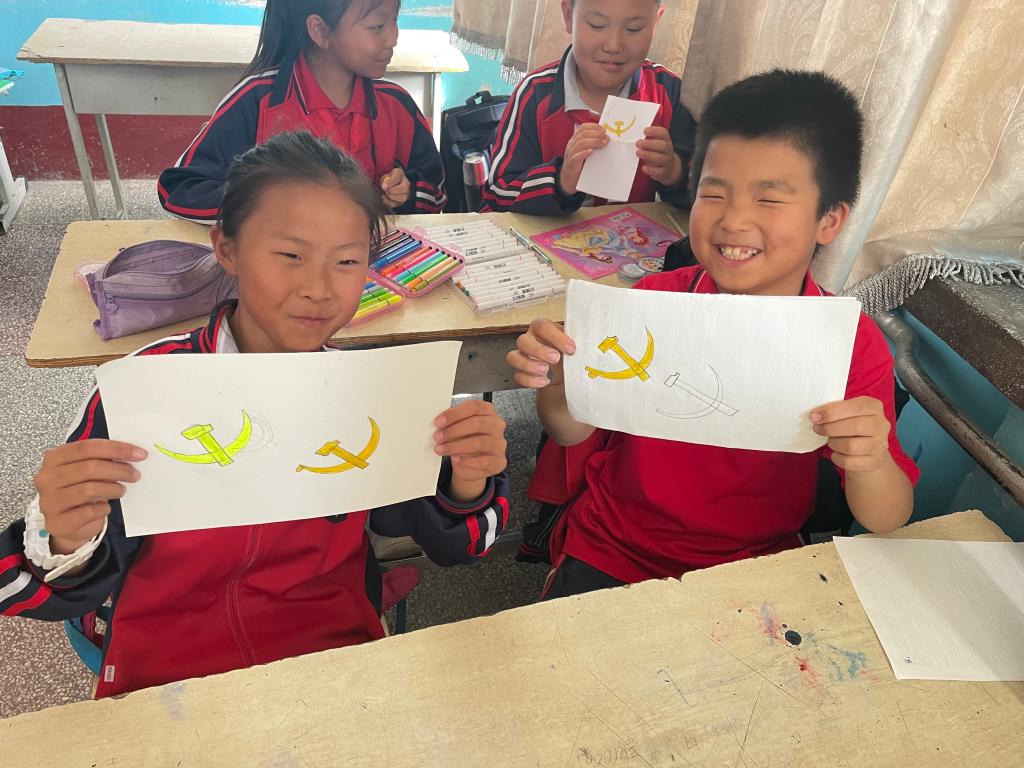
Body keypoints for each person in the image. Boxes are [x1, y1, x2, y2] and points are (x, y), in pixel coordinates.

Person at [1, 132, 507, 697]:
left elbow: (458, 545)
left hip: (330, 654)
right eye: (290, 256)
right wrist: (63, 536)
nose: (318, 289)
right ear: (227, 249)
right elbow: (40, 590)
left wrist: (467, 480)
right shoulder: (146, 391)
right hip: (165, 669)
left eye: (346, 261)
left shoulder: (372, 395)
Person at [506, 70, 919, 598]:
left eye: (769, 200)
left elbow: (887, 518)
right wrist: (559, 386)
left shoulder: (847, 342)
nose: (734, 221)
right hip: (611, 546)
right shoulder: (652, 301)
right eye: (714, 193)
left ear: (829, 220)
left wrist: (870, 460)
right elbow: (569, 432)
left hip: (756, 567)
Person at [158, 0, 446, 221]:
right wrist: (267, 201)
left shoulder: (396, 105)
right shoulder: (257, 101)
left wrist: (406, 192)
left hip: (376, 269)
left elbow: (438, 192)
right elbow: (180, 188)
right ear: (320, 30)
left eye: (394, 21)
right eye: (377, 27)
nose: (393, 38)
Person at [482, 0, 695, 215]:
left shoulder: (669, 92)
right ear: (569, 16)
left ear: (655, 23)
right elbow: (498, 193)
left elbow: (704, 194)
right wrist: (561, 180)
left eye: (633, 29)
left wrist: (674, 173)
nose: (613, 46)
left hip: (632, 235)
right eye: (597, 25)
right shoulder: (534, 93)